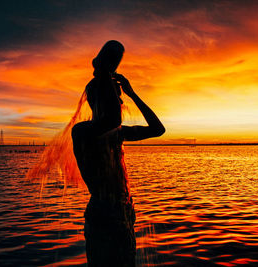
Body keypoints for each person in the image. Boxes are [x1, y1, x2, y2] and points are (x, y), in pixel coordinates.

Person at [72, 40, 165, 267]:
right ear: (101, 97)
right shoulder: (83, 131)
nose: (121, 100)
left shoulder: (117, 133)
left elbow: (158, 129)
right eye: (117, 95)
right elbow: (113, 117)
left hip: (123, 212)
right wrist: (104, 72)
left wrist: (132, 93)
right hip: (103, 214)